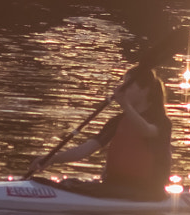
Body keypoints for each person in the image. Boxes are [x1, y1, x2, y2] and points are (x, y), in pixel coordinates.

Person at [26, 63, 173, 200]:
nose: (122, 90)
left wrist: (126, 106)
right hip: (114, 187)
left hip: (147, 192)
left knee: (73, 189)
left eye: (128, 86)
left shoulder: (161, 122)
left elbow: (147, 131)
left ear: (144, 90)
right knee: (66, 184)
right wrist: (51, 159)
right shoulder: (117, 121)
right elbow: (85, 150)